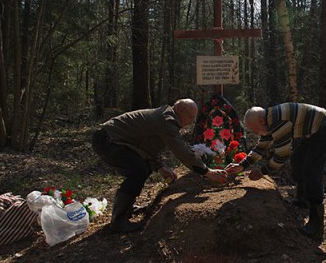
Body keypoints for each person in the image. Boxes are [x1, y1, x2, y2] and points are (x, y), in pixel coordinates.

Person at [92, 99, 228, 233]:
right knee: (139, 170)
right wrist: (207, 172)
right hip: (107, 140)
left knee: (141, 168)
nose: (191, 121)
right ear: (180, 109)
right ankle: (118, 221)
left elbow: (148, 147)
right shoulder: (166, 120)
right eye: (191, 116)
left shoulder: (165, 117)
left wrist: (160, 167)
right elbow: (182, 152)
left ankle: (126, 208)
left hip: (113, 140)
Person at [225, 103, 326, 241]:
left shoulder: (278, 122)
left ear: (261, 121)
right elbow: (261, 147)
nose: (256, 133)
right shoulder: (267, 121)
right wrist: (241, 165)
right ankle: (302, 199)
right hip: (312, 129)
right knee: (297, 160)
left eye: (255, 130)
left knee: (311, 170)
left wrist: (262, 171)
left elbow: (281, 155)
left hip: (324, 126)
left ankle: (316, 225)